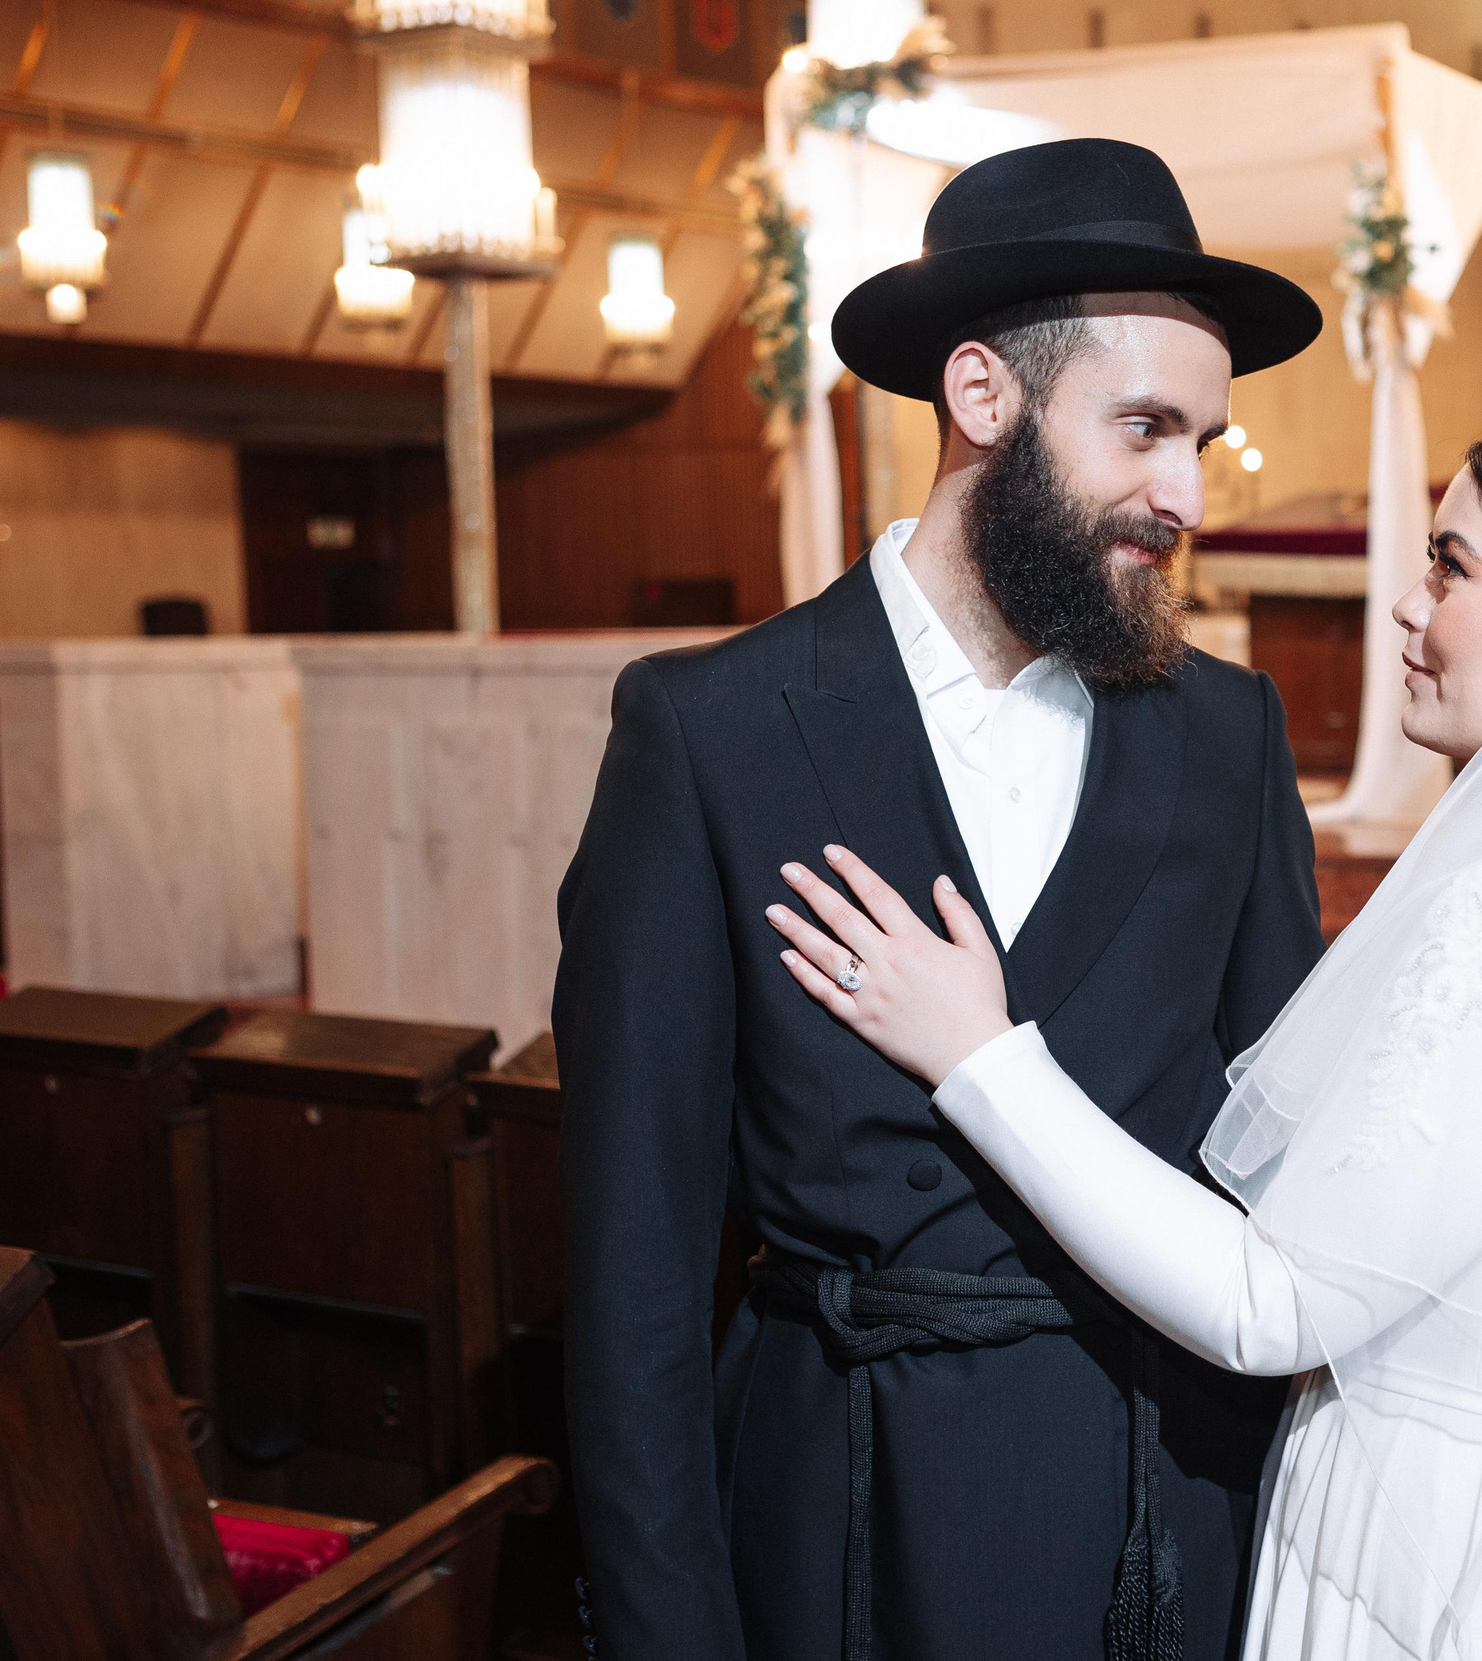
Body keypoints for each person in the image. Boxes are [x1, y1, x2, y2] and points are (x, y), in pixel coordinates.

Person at [765, 410, 1482, 1660]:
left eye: (1454, 565)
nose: (1407, 605)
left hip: (1467, 1556)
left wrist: (981, 1057)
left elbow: (1275, 1306)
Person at [553, 137, 1329, 1661]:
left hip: (1152, 1514)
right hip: (838, 1517)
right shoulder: (710, 729)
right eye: (1146, 428)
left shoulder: (1230, 738)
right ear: (984, 397)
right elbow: (636, 1271)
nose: (1185, 494)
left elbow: (1284, 1172)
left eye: (1204, 442)